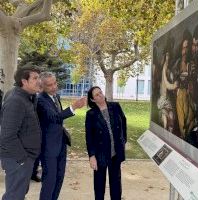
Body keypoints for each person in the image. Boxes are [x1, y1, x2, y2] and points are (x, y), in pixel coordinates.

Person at [37, 72, 86, 200]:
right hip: (48, 147)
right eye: (49, 85)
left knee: (59, 178)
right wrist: (74, 107)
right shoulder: (40, 100)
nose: (54, 87)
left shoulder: (56, 96)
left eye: (55, 83)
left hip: (61, 145)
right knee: (49, 181)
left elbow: (59, 120)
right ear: (42, 86)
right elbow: (54, 117)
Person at [0, 64, 41, 200]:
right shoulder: (15, 100)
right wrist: (23, 160)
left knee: (18, 194)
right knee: (14, 196)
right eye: (35, 78)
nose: (39, 81)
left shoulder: (26, 97)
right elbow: (7, 136)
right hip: (17, 159)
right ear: (24, 81)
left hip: (22, 158)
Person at [85, 86, 127, 200]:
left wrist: (123, 141)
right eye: (97, 95)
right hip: (100, 154)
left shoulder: (115, 106)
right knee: (99, 185)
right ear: (92, 100)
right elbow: (89, 137)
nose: (100, 95)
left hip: (115, 152)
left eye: (100, 92)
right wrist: (92, 156)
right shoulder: (91, 114)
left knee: (116, 183)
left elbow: (123, 122)